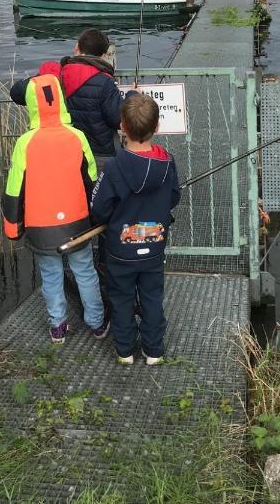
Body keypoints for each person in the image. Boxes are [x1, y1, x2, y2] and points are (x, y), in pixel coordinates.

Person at [2, 73, 109, 344]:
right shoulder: (77, 137)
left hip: (40, 227)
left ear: (32, 105)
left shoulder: (24, 143)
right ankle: (97, 323)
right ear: (59, 100)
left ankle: (58, 325)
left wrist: (13, 227)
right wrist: (98, 219)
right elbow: (91, 182)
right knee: (85, 271)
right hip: (77, 224)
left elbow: (15, 189)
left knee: (50, 275)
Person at [90, 94, 180, 365]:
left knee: (121, 298)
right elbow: (174, 197)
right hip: (154, 249)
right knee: (153, 297)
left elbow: (99, 209)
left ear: (122, 127)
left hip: (119, 252)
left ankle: (125, 350)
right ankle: (154, 351)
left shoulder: (114, 167)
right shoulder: (167, 162)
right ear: (157, 127)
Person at [11, 28, 125, 174]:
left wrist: (41, 77)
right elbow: (117, 120)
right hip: (99, 155)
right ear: (103, 56)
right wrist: (132, 96)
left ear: (76, 47)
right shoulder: (105, 82)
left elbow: (16, 93)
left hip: (61, 153)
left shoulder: (53, 77)